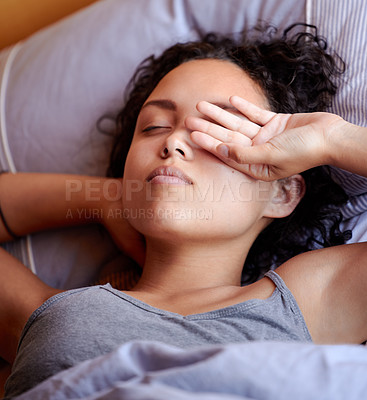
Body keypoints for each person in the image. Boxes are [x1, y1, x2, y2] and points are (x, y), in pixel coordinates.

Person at [1, 25, 366, 397]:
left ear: (283, 193)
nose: (173, 141)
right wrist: (103, 198)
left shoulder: (308, 302)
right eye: (153, 127)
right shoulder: (52, 315)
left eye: (216, 131)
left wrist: (331, 138)